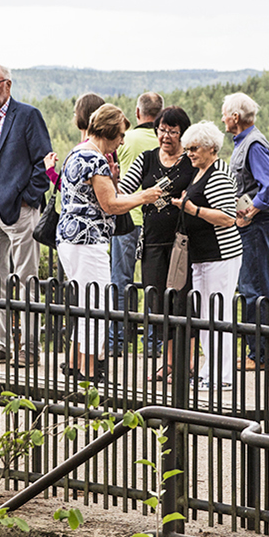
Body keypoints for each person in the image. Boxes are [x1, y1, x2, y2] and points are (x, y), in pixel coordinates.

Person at [55, 104, 163, 381]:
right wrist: (144, 196)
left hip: (68, 237)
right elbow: (111, 203)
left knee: (82, 302)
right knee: (96, 304)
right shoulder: (96, 160)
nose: (122, 141)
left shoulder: (76, 153)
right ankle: (89, 369)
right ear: (110, 131)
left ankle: (75, 361)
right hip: (89, 240)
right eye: (121, 135)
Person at [0, 64, 53, 366]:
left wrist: (29, 200)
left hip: (19, 211)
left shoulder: (27, 116)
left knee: (26, 280)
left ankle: (30, 348)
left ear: (8, 84)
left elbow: (44, 162)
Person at [119, 106, 197, 371]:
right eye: (162, 130)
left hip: (182, 244)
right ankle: (167, 363)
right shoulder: (146, 159)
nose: (166, 136)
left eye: (173, 131)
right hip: (152, 242)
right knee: (158, 304)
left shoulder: (190, 162)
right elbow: (124, 191)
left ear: (182, 134)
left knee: (182, 304)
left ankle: (187, 363)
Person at [171, 121, 242, 391]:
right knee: (205, 314)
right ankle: (209, 368)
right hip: (202, 256)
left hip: (220, 255)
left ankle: (222, 375)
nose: (189, 153)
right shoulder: (200, 171)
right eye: (187, 148)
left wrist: (192, 210)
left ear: (212, 148)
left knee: (218, 313)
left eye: (194, 148)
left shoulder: (219, 175)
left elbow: (227, 217)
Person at [222, 92, 269, 371]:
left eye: (225, 113)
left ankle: (260, 355)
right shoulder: (245, 143)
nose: (222, 118)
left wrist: (251, 211)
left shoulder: (254, 144)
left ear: (235, 117)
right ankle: (255, 351)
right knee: (249, 287)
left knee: (254, 288)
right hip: (250, 224)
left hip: (255, 226)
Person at [109, 92, 161, 353]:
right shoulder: (166, 141)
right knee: (154, 284)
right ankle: (152, 343)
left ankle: (117, 341)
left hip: (127, 219)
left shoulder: (126, 140)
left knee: (121, 282)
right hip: (155, 222)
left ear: (138, 114)